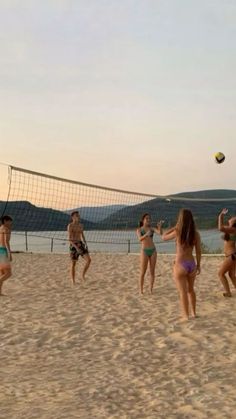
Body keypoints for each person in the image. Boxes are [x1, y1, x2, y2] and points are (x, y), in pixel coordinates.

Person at [162, 209, 201, 321]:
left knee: (183, 292)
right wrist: (199, 265)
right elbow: (198, 251)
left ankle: (185, 315)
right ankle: (193, 313)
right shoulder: (196, 233)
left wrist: (174, 227)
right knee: (191, 290)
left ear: (181, 219)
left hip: (180, 264)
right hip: (191, 264)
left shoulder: (178, 231)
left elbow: (163, 237)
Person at [136, 213, 164, 294]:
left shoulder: (151, 229)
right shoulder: (139, 230)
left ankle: (151, 289)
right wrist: (145, 235)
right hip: (144, 250)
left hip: (153, 250)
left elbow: (160, 233)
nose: (148, 220)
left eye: (149, 219)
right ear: (143, 220)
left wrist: (160, 227)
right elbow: (139, 239)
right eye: (147, 218)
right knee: (143, 272)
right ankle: (141, 290)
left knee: (152, 271)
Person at [67, 211, 91, 285]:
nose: (78, 217)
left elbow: (82, 235)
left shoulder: (81, 225)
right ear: (73, 217)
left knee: (89, 260)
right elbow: (69, 239)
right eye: (77, 215)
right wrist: (76, 247)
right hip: (73, 244)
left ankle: (83, 275)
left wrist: (85, 243)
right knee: (73, 264)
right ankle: (73, 281)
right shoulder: (70, 226)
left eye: (78, 215)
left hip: (80, 244)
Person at [218, 208, 236, 297]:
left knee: (220, 273)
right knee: (231, 274)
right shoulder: (230, 230)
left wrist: (221, 215)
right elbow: (223, 229)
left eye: (234, 218)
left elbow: (220, 228)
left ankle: (228, 292)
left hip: (231, 256)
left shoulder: (233, 230)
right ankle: (229, 292)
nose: (232, 217)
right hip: (232, 256)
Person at [0, 215, 13, 296]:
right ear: (5, 221)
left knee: (2, 273)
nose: (11, 223)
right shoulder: (6, 229)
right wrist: (10, 253)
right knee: (8, 273)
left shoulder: (0, 227)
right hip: (3, 251)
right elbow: (6, 241)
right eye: (9, 221)